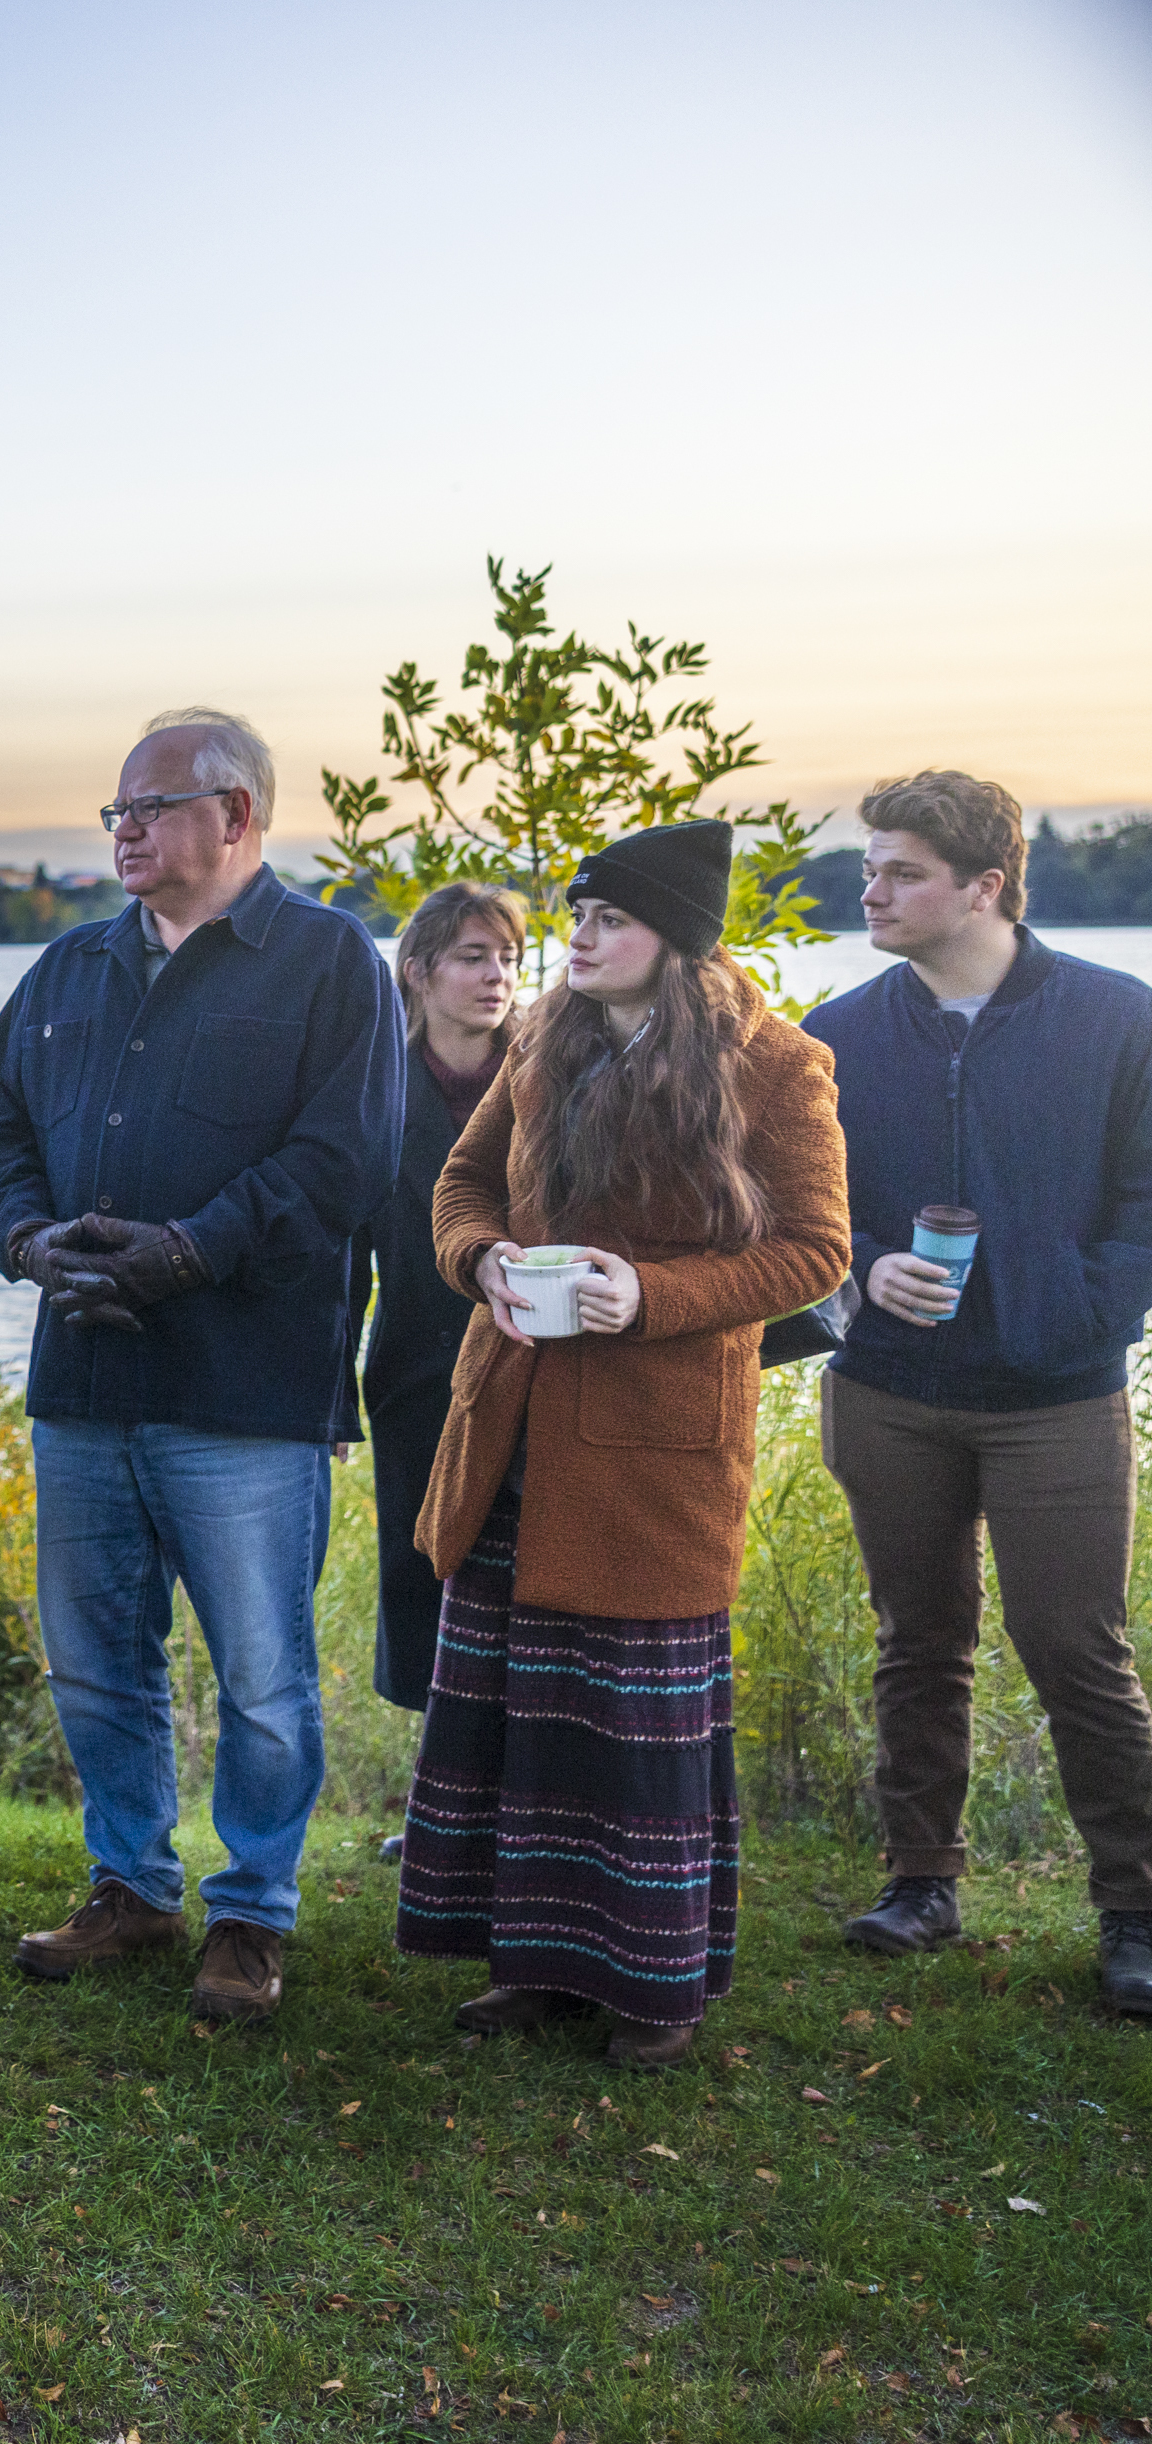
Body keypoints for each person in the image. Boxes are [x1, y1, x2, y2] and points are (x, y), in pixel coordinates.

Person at [0, 709, 401, 2024]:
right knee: (98, 1659)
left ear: (240, 815)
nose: (126, 831)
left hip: (246, 1393)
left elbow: (347, 1165)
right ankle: (132, 1888)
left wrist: (188, 1251)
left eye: (151, 807)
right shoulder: (64, 973)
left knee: (262, 1672)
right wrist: (32, 1242)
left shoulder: (330, 964)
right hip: (86, 1382)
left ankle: (253, 1912)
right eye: (115, 812)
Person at [396, 822, 847, 2069]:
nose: (578, 937)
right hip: (515, 1427)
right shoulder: (542, 1039)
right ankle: (533, 1972)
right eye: (577, 917)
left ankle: (654, 1993)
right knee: (522, 1708)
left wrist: (649, 1296)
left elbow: (816, 1251)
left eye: (607, 920)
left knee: (630, 1722)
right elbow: (460, 1184)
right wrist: (479, 1258)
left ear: (676, 938)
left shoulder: (777, 1065)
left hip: (656, 1447)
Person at [801, 772, 1152, 2015]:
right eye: (871, 868)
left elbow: (1143, 1206)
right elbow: (800, 1219)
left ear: (983, 886)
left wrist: (1084, 1311)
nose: (873, 890)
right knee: (919, 1642)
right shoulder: (835, 1037)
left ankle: (1136, 1910)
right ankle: (921, 1881)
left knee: (1077, 1649)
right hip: (890, 1391)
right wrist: (854, 1277)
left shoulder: (1120, 1019)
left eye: (899, 870)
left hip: (1057, 1395)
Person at [347, 885, 528, 1724]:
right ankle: (437, 1798)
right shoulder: (369, 1087)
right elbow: (340, 1250)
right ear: (417, 970)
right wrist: (330, 1399)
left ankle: (524, 1790)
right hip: (415, 1366)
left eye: (509, 958)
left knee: (528, 1579)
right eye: (473, 956)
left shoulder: (549, 1075)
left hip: (535, 1364)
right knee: (420, 1571)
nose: (497, 976)